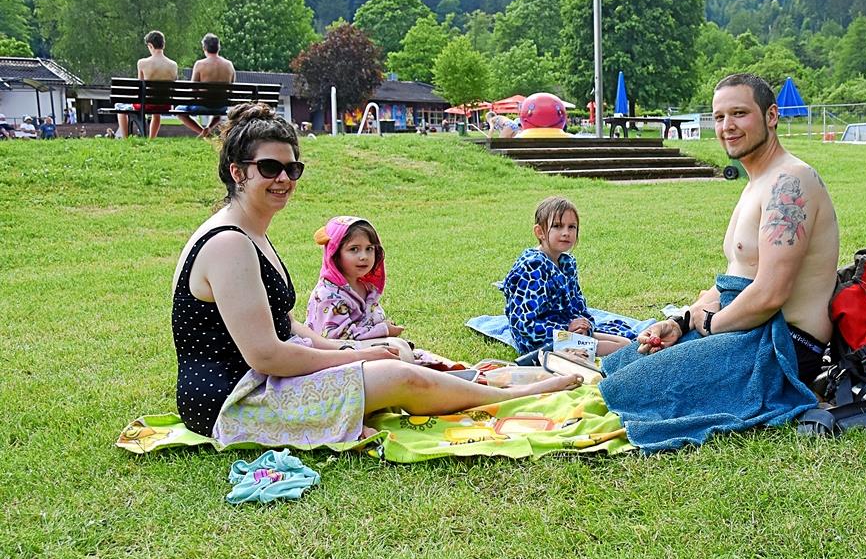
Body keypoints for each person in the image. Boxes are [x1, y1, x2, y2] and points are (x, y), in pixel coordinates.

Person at [171, 103, 581, 445]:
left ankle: (489, 386)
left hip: (259, 380)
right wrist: (360, 354)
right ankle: (515, 396)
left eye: (292, 169)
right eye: (269, 168)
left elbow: (284, 324)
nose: (283, 179)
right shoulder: (229, 243)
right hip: (234, 401)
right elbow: (266, 354)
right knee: (398, 375)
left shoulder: (249, 233)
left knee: (394, 356)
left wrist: (347, 351)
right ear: (238, 172)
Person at [597, 73, 840, 450]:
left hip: (782, 346)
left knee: (631, 391)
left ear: (771, 116)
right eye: (719, 116)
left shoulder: (791, 182)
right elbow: (734, 275)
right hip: (742, 326)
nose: (727, 127)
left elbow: (771, 292)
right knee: (623, 365)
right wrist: (680, 321)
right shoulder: (755, 183)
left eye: (739, 113)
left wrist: (708, 325)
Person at [503, 196, 636, 357]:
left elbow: (578, 305)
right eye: (557, 226)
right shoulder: (532, 267)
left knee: (626, 341)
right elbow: (524, 325)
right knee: (623, 350)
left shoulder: (567, 263)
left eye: (571, 227)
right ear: (540, 232)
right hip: (542, 341)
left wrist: (585, 325)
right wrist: (566, 328)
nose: (566, 233)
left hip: (569, 333)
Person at [305, 216, 412, 359]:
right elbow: (338, 339)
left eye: (369, 249)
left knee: (403, 352)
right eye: (354, 249)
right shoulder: (328, 295)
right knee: (398, 356)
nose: (364, 256)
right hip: (335, 358)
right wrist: (383, 330)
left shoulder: (366, 287)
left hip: (362, 350)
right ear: (335, 254)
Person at [118, 30, 178, 139]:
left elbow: (139, 87)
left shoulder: (142, 63)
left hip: (146, 104)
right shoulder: (173, 65)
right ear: (163, 45)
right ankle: (151, 139)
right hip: (165, 104)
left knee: (119, 107)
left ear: (150, 45)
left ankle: (126, 139)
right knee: (156, 112)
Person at [175, 33, 237, 138]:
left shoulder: (200, 64)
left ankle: (202, 132)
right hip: (221, 106)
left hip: (202, 105)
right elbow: (231, 89)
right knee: (217, 113)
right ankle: (207, 130)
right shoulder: (229, 65)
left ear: (204, 47)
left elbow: (192, 88)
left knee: (179, 111)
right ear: (219, 47)